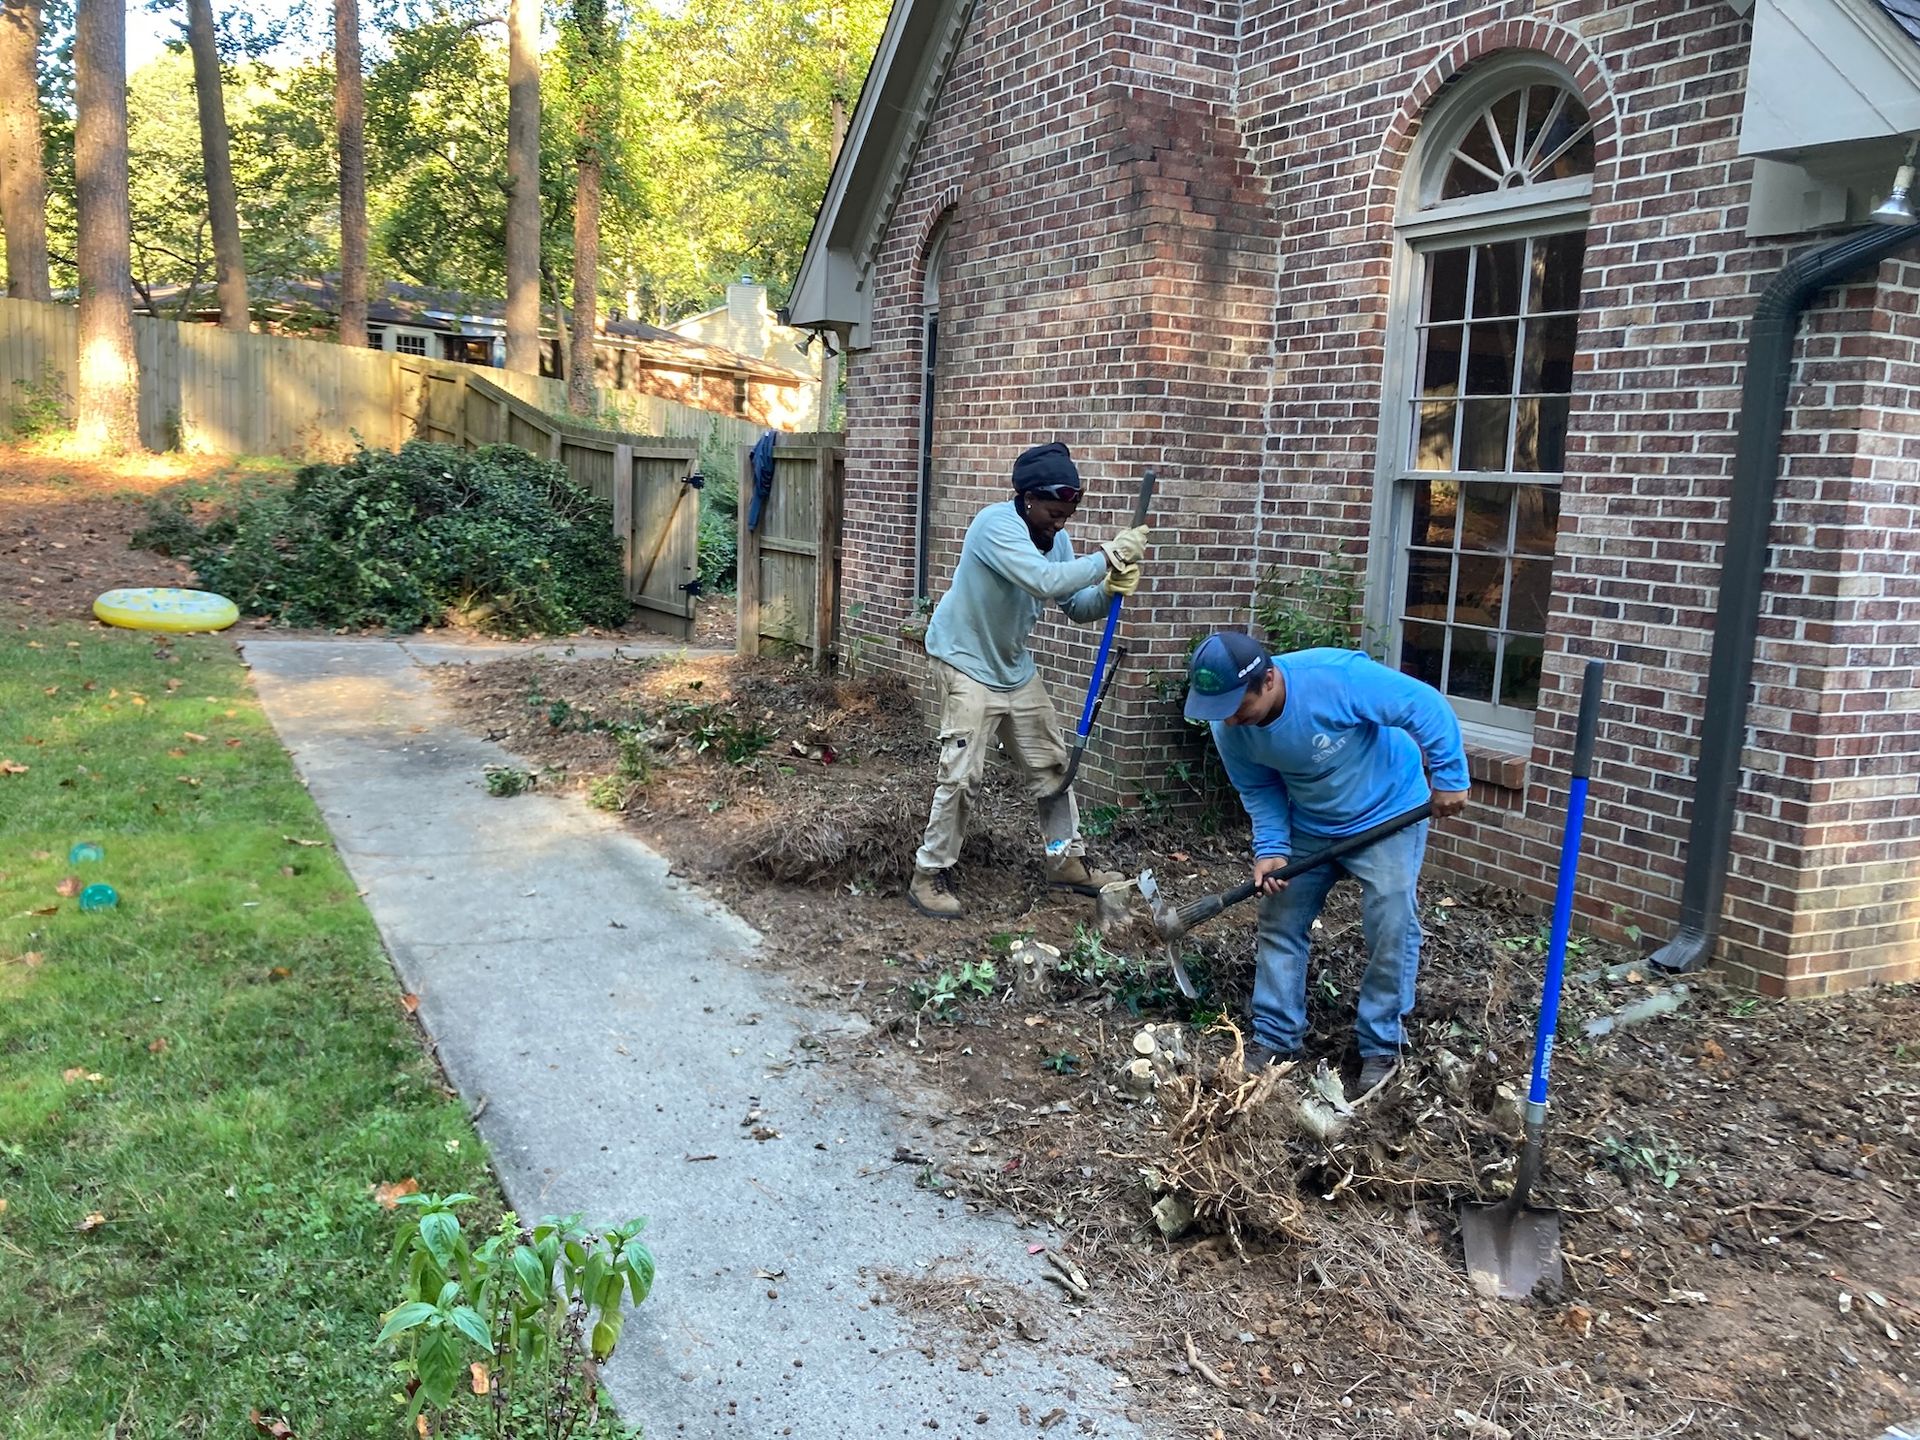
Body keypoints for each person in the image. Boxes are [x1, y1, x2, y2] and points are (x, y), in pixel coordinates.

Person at [1183, 632, 1470, 1094]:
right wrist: (1272, 848)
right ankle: (1276, 1037)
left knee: (1391, 918)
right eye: (1223, 709)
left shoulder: (1335, 678)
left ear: (1270, 679)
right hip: (1313, 823)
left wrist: (1450, 774)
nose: (1233, 719)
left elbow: (1424, 705)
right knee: (1280, 917)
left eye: (1240, 706)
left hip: (1389, 811)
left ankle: (1380, 1046)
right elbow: (1259, 788)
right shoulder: (1228, 724)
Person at [908, 441, 1150, 919]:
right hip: (964, 661)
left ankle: (1064, 861)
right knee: (961, 776)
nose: (1060, 523)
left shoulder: (1055, 537)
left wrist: (1108, 589)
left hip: (1012, 668)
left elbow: (1077, 605)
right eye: (1053, 512)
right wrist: (1108, 556)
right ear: (1026, 499)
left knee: (1054, 767)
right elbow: (1043, 580)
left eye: (1067, 514)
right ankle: (927, 875)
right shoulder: (995, 525)